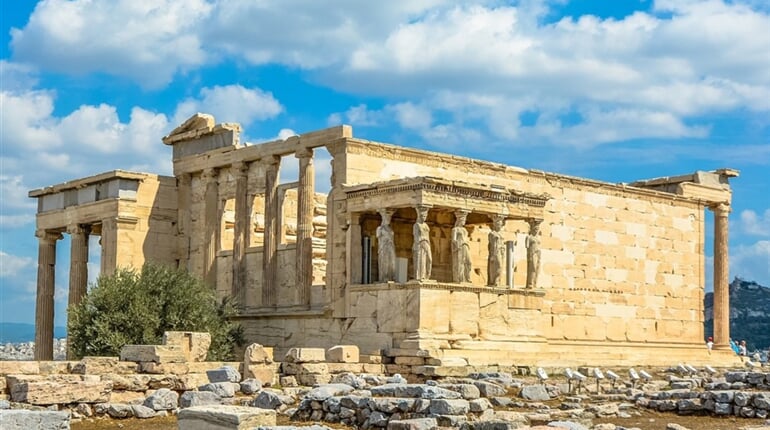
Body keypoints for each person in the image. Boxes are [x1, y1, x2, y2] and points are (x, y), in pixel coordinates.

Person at [451, 211, 472, 283]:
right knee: (460, 262)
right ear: (459, 220)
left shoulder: (464, 230)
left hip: (466, 246)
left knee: (469, 262)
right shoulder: (455, 229)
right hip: (459, 246)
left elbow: (466, 238)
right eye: (463, 220)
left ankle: (467, 278)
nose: (464, 222)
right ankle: (460, 279)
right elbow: (453, 240)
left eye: (465, 220)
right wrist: (457, 246)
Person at [412, 206, 432, 281]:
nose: (424, 217)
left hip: (427, 243)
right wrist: (422, 240)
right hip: (420, 244)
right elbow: (416, 237)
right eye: (422, 216)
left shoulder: (426, 225)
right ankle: (420, 276)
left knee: (429, 259)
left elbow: (428, 236)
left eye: (425, 216)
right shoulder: (416, 225)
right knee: (421, 260)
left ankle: (427, 275)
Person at [376, 209, 396, 282]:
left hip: (391, 247)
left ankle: (391, 277)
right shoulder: (380, 229)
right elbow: (378, 239)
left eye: (389, 218)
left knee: (392, 263)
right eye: (387, 218)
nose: (388, 220)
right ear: (383, 219)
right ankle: (384, 277)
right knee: (385, 262)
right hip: (383, 247)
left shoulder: (390, 229)